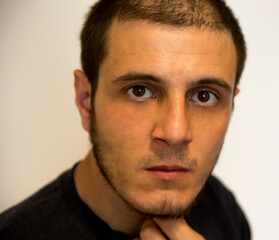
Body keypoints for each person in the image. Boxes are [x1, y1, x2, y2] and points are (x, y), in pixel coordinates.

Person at [0, 0, 249, 239]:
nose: (175, 132)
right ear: (86, 101)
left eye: (204, 96)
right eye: (139, 91)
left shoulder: (223, 210)